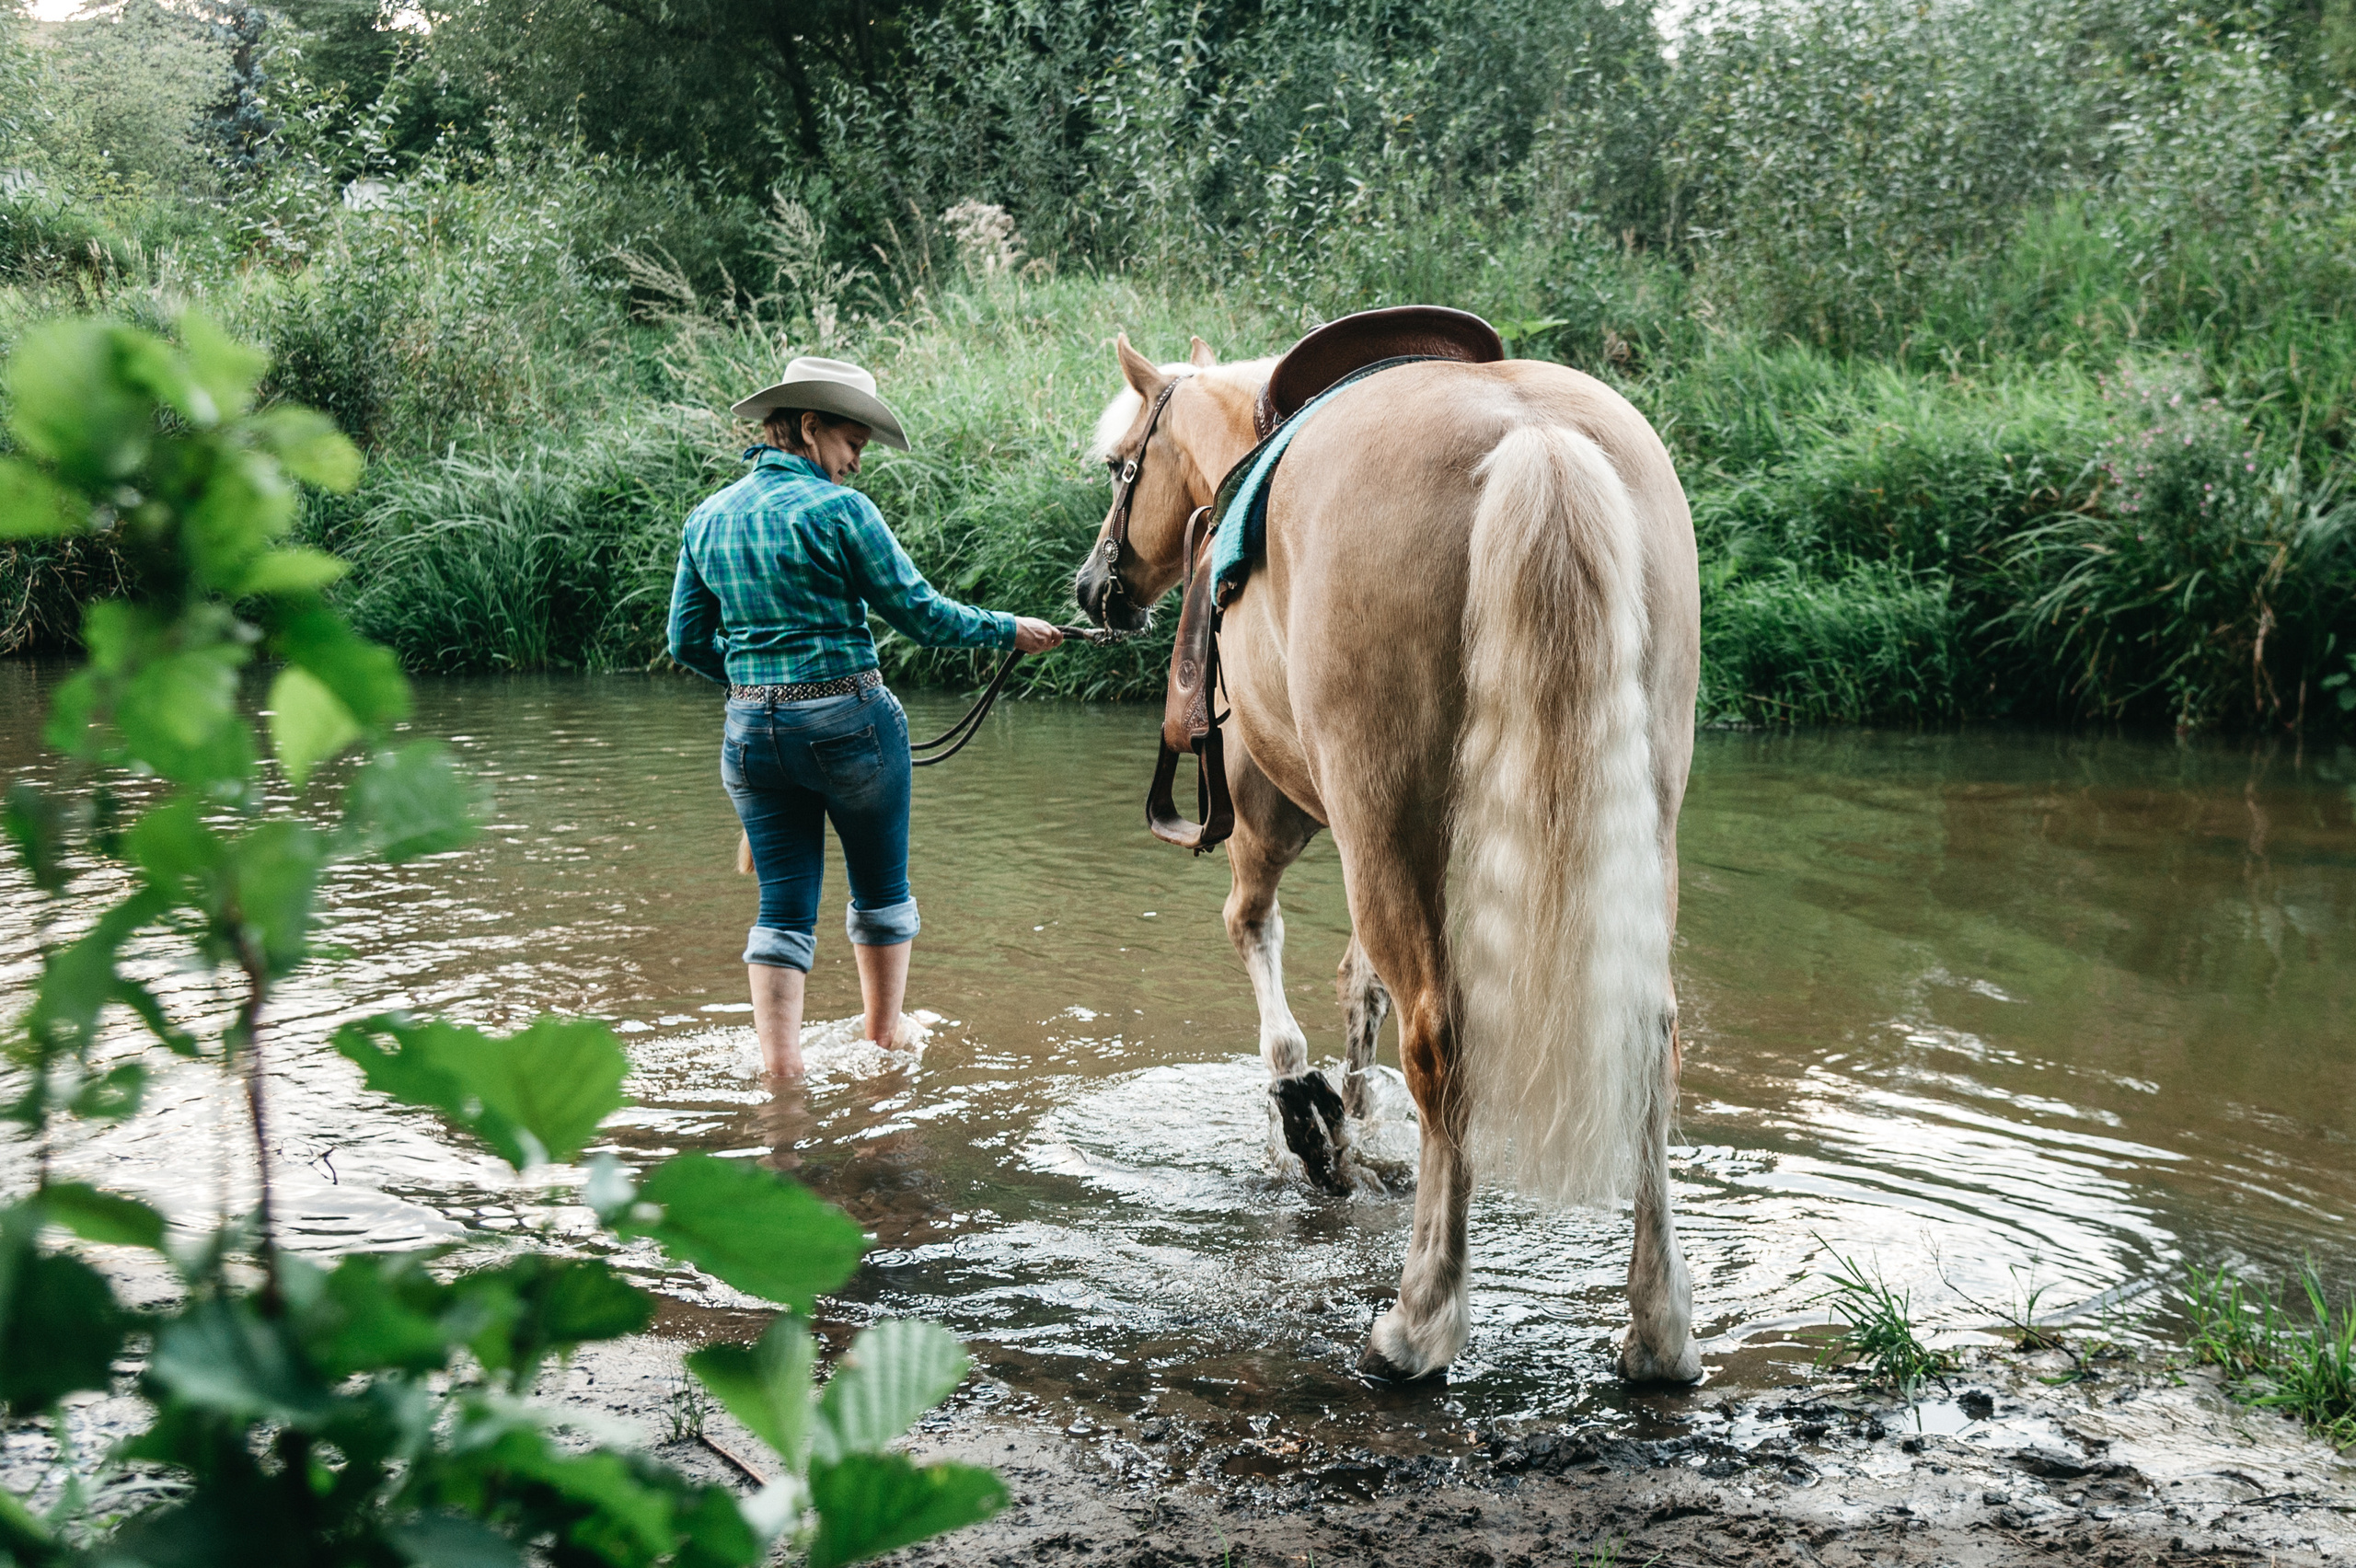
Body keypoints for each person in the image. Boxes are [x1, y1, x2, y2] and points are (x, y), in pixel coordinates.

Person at [667, 356, 1064, 1078]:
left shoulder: (707, 516)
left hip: (751, 738)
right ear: (810, 428)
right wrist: (1008, 628)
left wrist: (759, 683)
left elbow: (686, 641)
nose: (856, 462)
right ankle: (883, 1036)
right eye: (852, 442)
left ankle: (780, 1071)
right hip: (850, 726)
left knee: (782, 905)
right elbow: (920, 613)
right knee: (880, 889)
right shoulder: (841, 512)